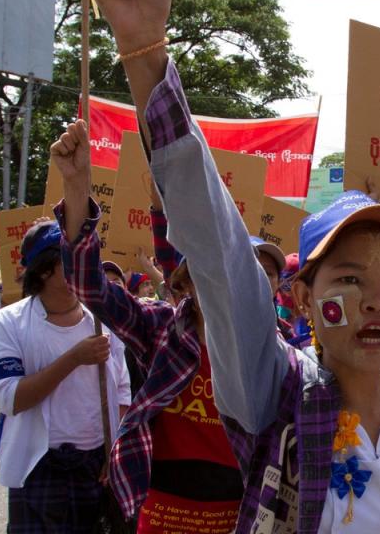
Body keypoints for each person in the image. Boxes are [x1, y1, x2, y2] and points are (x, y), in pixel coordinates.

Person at [85, 0, 380, 531]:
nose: (377, 301)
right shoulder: (276, 397)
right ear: (301, 297)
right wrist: (145, 53)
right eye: (349, 280)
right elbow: (217, 251)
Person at [53, 120, 246, 533]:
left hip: (237, 515)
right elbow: (87, 284)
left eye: (230, 266)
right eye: (204, 268)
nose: (218, 278)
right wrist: (76, 186)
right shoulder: (160, 329)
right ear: (184, 282)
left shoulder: (269, 345)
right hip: (161, 513)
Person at [0, 220, 131, 532]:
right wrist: (73, 359)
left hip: (95, 469)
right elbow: (10, 398)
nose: (82, 269)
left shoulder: (103, 319)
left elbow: (121, 393)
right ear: (42, 271)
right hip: (38, 467)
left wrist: (112, 451)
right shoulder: (10, 322)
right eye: (69, 262)